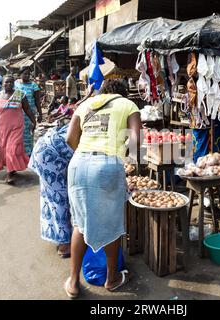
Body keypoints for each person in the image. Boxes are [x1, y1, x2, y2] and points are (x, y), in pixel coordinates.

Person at [64, 79, 142, 299]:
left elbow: (71, 138)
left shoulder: (86, 103)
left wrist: (87, 153)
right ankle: (112, 278)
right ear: (123, 93)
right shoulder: (128, 105)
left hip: (78, 164)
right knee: (111, 224)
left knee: (79, 223)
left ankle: (72, 281)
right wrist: (127, 159)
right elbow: (135, 142)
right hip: (107, 165)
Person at [0, 76, 36, 185]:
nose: (9, 84)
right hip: (1, 128)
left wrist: (34, 121)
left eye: (11, 82)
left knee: (12, 148)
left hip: (16, 127)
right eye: (7, 82)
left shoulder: (20, 95)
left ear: (14, 83)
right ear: (3, 84)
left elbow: (27, 109)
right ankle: (12, 168)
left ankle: (9, 174)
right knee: (4, 150)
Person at [29, 124, 74, 258]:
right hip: (51, 155)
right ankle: (65, 245)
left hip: (46, 149)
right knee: (59, 198)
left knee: (51, 196)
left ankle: (61, 237)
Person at [15, 66, 43, 156]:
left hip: (29, 114)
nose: (27, 75)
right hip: (17, 113)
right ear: (20, 74)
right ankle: (19, 152)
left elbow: (37, 101)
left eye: (28, 74)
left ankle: (28, 153)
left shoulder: (34, 86)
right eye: (25, 74)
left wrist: (40, 114)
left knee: (29, 133)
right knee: (18, 133)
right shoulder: (15, 84)